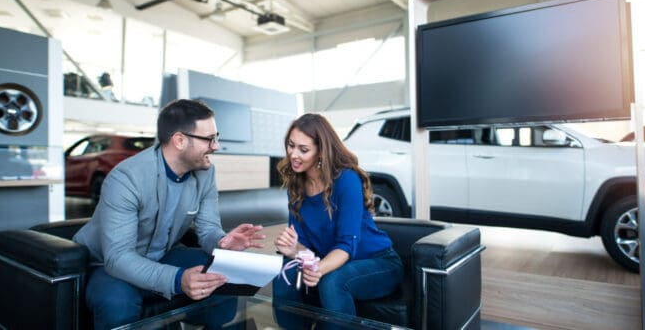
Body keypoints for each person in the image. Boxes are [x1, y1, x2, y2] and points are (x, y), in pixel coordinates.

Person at [73, 99, 266, 329]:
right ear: (179, 140)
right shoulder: (126, 179)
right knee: (116, 302)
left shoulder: (205, 174)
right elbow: (118, 257)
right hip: (109, 264)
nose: (216, 146)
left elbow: (208, 230)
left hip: (163, 253)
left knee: (223, 273)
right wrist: (177, 280)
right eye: (209, 139)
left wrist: (222, 242)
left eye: (217, 137)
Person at [272, 113, 403, 320]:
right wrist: (294, 248)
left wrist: (317, 268)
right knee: (284, 275)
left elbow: (346, 246)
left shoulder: (346, 180)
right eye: (291, 145)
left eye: (303, 149)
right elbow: (305, 247)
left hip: (378, 263)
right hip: (331, 261)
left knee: (332, 281)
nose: (293, 154)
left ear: (321, 152)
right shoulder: (296, 187)